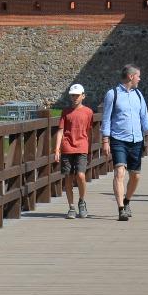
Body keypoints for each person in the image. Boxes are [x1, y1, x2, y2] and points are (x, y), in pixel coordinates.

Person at [100, 64, 148, 221]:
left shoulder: (138, 95)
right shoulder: (112, 94)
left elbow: (144, 115)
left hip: (136, 140)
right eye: (138, 76)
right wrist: (105, 140)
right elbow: (106, 118)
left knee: (136, 176)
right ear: (131, 76)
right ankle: (121, 209)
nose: (140, 78)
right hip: (119, 140)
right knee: (120, 173)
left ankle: (127, 200)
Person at [55, 83, 93, 219]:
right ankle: (71, 207)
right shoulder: (65, 112)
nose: (74, 98)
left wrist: (89, 149)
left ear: (83, 96)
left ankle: (82, 201)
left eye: (77, 95)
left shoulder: (88, 112)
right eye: (72, 95)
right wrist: (57, 149)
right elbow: (60, 130)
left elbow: (89, 130)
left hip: (81, 146)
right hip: (67, 147)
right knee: (68, 177)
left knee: (81, 175)